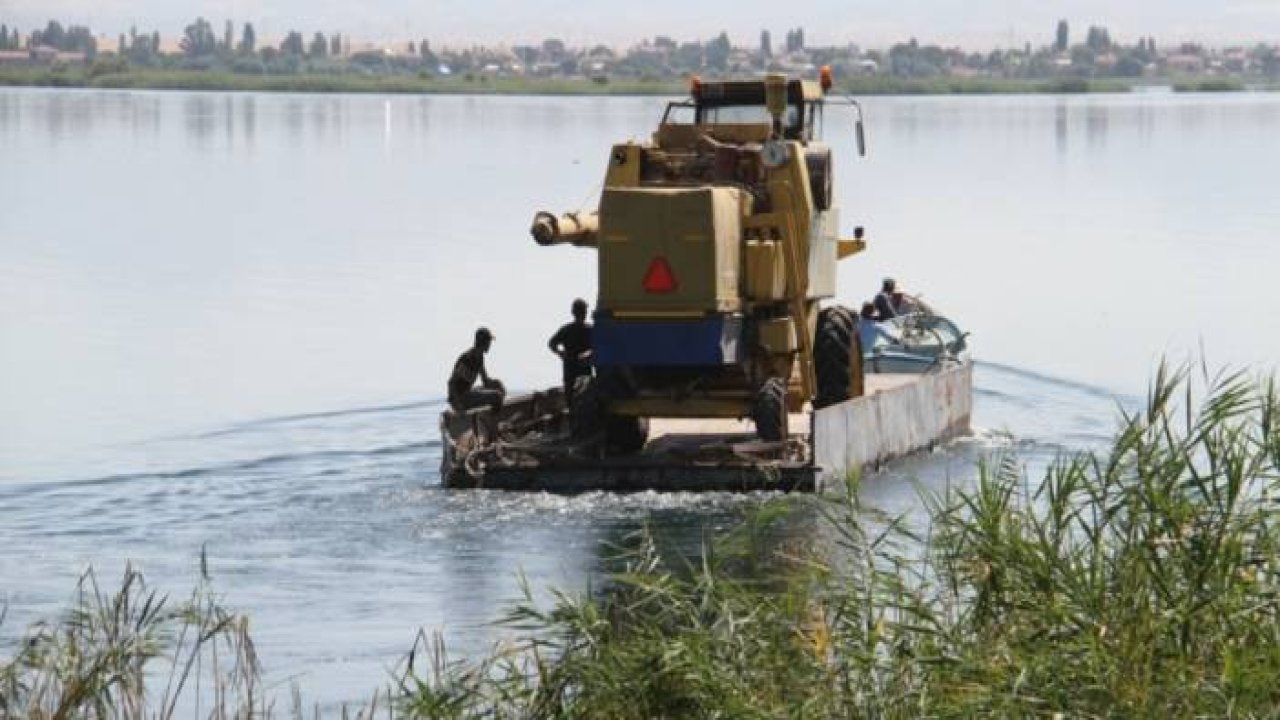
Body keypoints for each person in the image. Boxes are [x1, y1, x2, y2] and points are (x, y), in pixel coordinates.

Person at [448, 327, 505, 413]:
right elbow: (451, 383)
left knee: (498, 387)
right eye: (489, 341)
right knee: (497, 396)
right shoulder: (468, 358)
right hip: (460, 398)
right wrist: (458, 405)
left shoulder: (480, 358)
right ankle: (492, 420)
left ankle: (493, 412)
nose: (490, 344)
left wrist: (497, 384)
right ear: (483, 342)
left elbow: (485, 381)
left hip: (468, 392)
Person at [548, 298, 593, 400]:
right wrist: (560, 353)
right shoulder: (588, 329)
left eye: (583, 311)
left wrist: (560, 353)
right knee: (577, 397)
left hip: (577, 370)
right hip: (576, 370)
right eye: (582, 311)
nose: (583, 313)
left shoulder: (588, 329)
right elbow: (551, 343)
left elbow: (551, 343)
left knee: (577, 396)